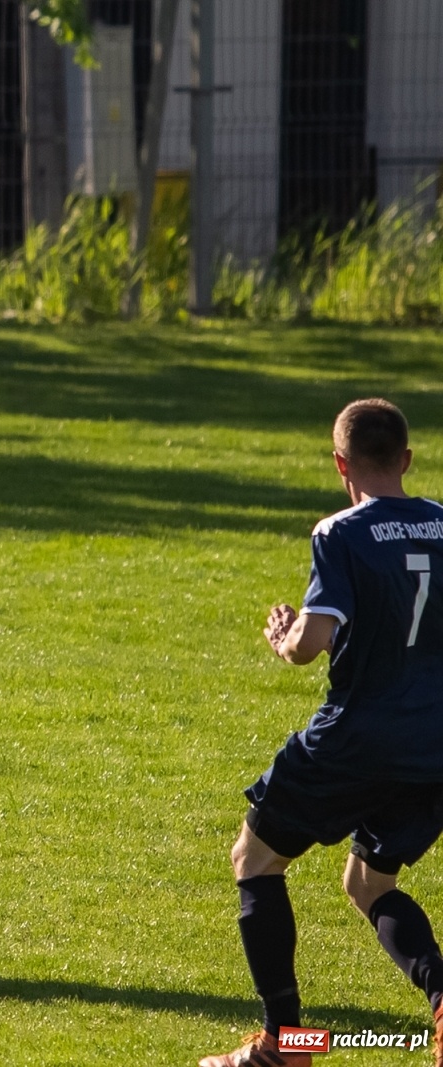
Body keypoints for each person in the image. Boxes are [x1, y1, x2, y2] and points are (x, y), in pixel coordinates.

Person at [203, 399, 443, 1067]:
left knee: (254, 859)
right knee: (370, 883)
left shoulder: (339, 532)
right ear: (407, 459)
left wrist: (285, 638)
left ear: (341, 463)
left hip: (357, 737)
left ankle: (286, 1045)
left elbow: (312, 643)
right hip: (434, 743)